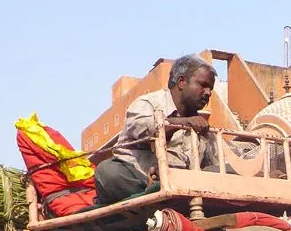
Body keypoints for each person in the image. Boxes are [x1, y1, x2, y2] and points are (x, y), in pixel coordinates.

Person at [92, 55, 217, 206]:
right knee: (107, 172)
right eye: (203, 85)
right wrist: (180, 123)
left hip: (181, 186)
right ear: (182, 82)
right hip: (139, 179)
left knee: (220, 172)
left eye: (210, 88)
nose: (208, 93)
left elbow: (219, 160)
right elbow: (141, 128)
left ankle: (170, 196)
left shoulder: (202, 127)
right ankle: (155, 193)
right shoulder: (149, 103)